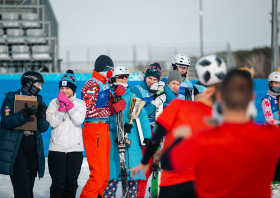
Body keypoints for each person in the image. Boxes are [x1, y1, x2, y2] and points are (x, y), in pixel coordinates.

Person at [162, 69, 280, 198]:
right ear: (252, 97)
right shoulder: (272, 136)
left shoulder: (203, 139)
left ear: (219, 97)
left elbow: (167, 162)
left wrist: (180, 137)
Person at [130, 55, 226, 198]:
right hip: (163, 125)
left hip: (183, 129)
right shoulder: (162, 83)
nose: (184, 70)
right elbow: (140, 109)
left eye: (186, 68)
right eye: (182, 67)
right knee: (156, 165)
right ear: (174, 66)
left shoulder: (190, 86)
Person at [80, 55, 127, 198]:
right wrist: (113, 109)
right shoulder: (91, 84)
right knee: (98, 175)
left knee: (105, 175)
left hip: (103, 128)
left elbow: (109, 99)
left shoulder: (104, 83)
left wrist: (117, 91)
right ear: (106, 69)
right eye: (111, 70)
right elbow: (89, 111)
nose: (112, 73)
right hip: (94, 128)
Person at [103, 66, 152, 198]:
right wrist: (116, 126)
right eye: (121, 76)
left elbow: (143, 118)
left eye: (126, 76)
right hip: (114, 141)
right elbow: (104, 117)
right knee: (111, 178)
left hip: (132, 142)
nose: (124, 79)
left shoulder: (133, 96)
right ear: (114, 78)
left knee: (132, 180)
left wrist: (147, 137)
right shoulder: (109, 95)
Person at [0, 71, 49, 198]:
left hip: (33, 145)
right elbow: (6, 121)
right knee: (21, 183)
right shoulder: (10, 99)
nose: (40, 88)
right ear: (29, 84)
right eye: (38, 84)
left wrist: (42, 116)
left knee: (29, 182)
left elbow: (44, 128)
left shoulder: (39, 101)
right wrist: (24, 114)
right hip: (17, 144)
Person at [130, 62, 176, 198]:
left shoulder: (159, 88)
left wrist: (163, 86)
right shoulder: (137, 90)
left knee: (155, 168)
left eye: (155, 79)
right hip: (141, 134)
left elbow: (174, 102)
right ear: (145, 76)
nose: (151, 82)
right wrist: (155, 103)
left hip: (157, 133)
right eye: (149, 78)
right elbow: (136, 111)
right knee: (143, 169)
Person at [46, 70, 86, 198]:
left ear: (73, 89)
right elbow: (51, 122)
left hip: (75, 149)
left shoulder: (80, 103)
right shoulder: (54, 103)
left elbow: (79, 120)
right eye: (62, 88)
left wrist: (69, 105)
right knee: (58, 184)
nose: (64, 91)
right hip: (56, 149)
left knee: (72, 184)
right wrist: (61, 110)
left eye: (67, 88)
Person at [261, 71, 280, 194]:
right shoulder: (266, 100)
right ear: (270, 83)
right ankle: (273, 185)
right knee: (274, 161)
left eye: (279, 83)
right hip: (272, 135)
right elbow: (269, 119)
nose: (277, 85)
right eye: (275, 83)